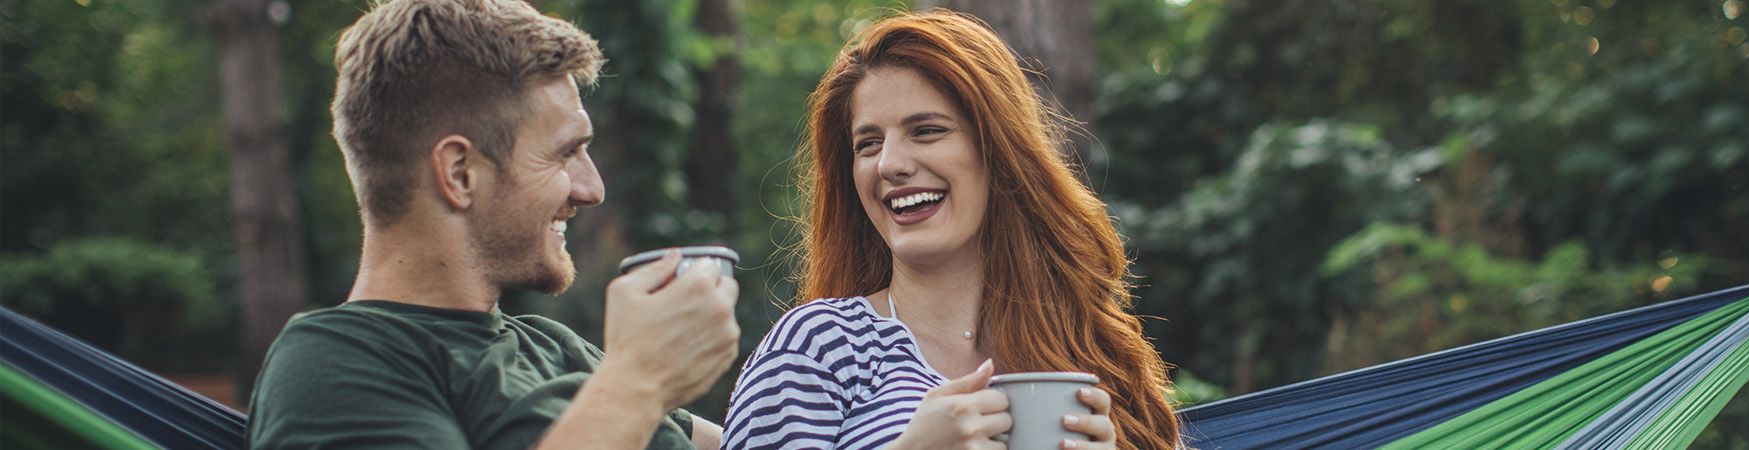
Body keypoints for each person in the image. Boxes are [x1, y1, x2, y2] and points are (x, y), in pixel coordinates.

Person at [245, 0, 739, 448]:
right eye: (566, 152)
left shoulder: (556, 348)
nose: (592, 189)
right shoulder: (335, 366)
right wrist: (636, 383)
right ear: (460, 174)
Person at [721, 10, 1182, 450]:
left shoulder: (1093, 349)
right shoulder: (819, 347)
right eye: (868, 143)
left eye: (926, 131)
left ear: (998, 149)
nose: (890, 164)